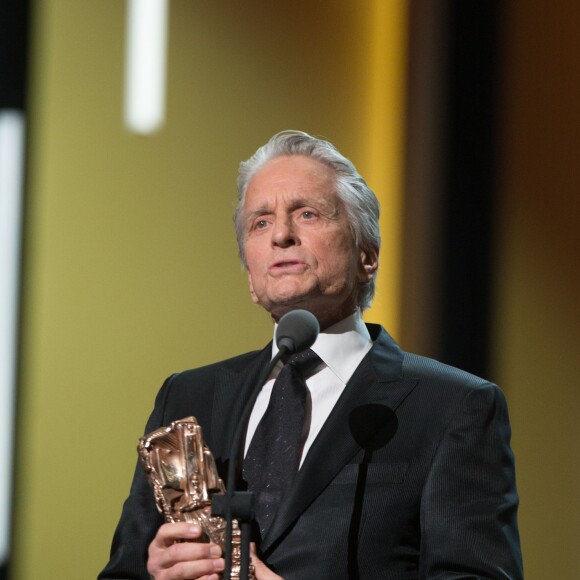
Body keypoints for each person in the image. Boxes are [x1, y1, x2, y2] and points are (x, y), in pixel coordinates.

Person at [99, 130, 523, 579]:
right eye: (260, 223)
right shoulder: (189, 397)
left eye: (307, 213)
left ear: (367, 255)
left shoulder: (451, 406)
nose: (281, 234)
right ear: (250, 274)